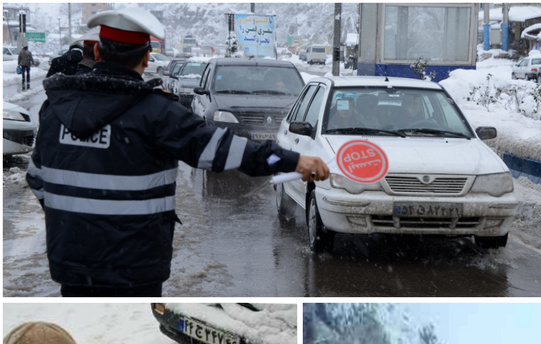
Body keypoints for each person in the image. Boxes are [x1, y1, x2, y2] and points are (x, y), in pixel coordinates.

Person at [26, 6, 329, 297]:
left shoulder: (56, 109)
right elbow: (229, 151)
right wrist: (293, 160)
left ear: (96, 52)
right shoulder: (157, 114)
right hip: (135, 267)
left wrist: (75, 221)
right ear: (146, 58)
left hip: (73, 265)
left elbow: (37, 177)